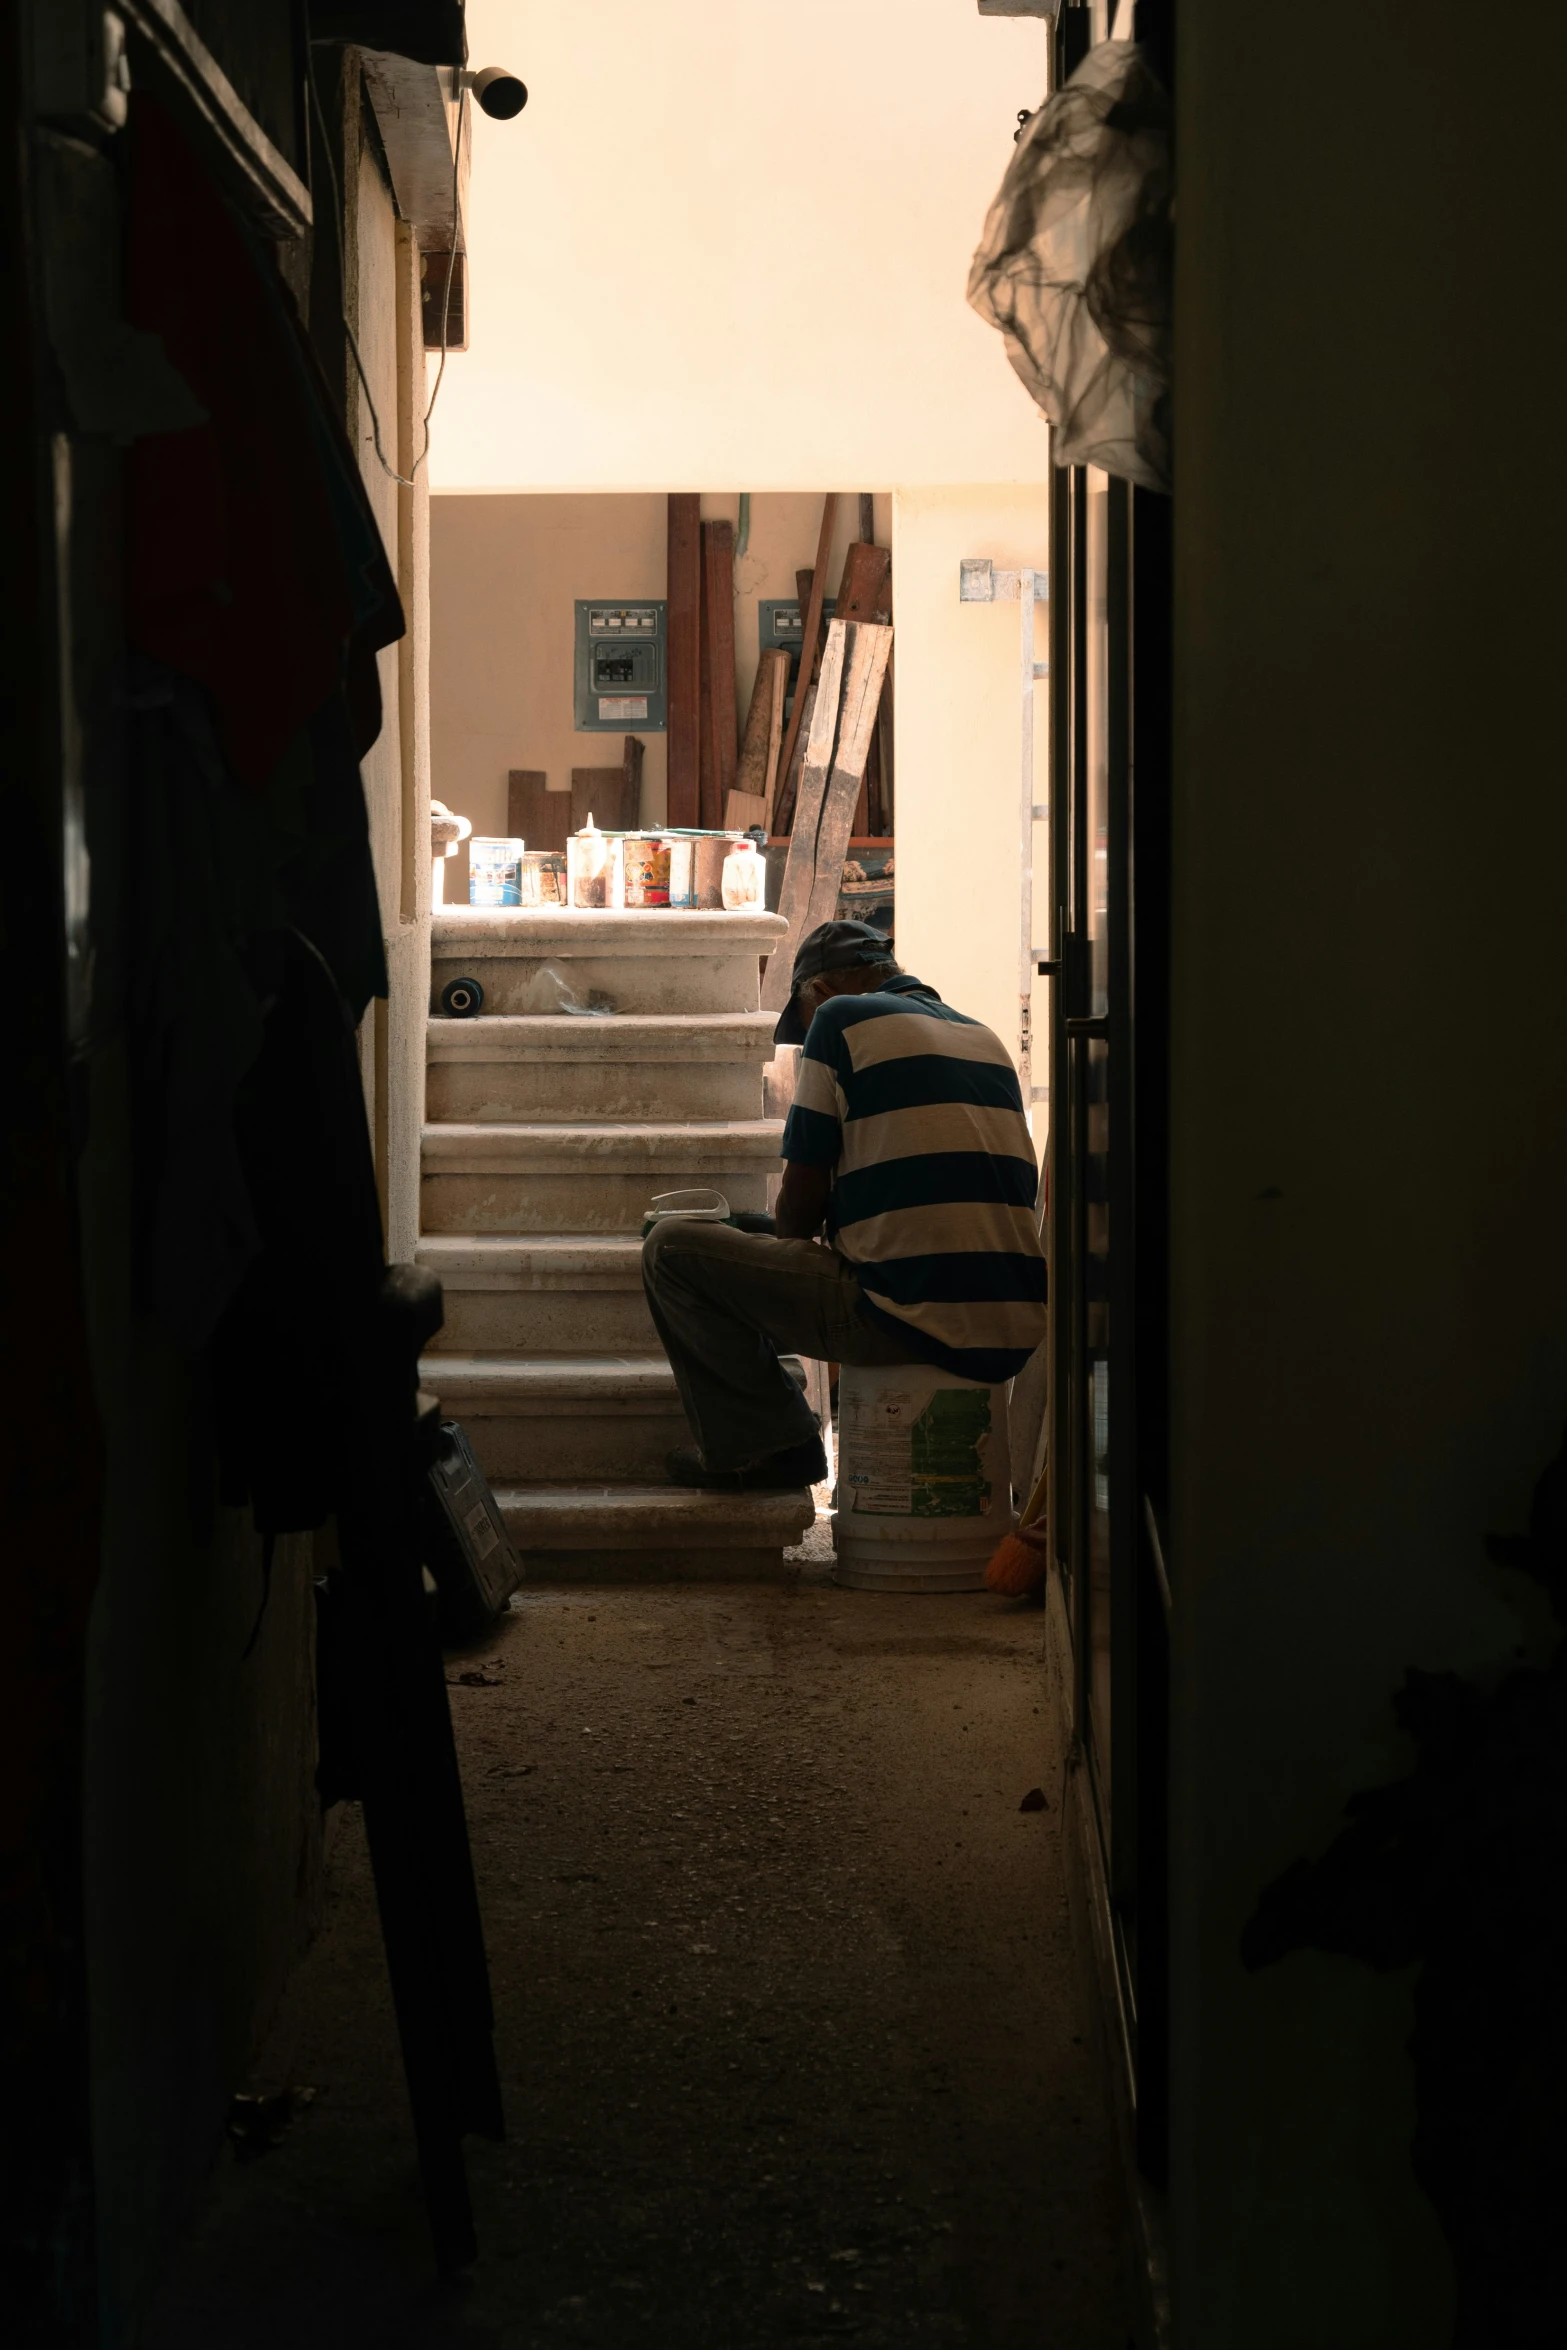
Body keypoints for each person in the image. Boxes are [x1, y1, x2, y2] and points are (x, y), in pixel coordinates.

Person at [641, 920, 1047, 1490]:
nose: (807, 1042)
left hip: (905, 1316)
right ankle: (771, 1419)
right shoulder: (983, 1037)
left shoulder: (840, 1019)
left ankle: (770, 1446)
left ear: (822, 993)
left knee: (674, 1251)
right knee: (745, 1236)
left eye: (801, 1029)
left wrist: (760, 1273)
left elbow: (801, 1202)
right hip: (1009, 1317)